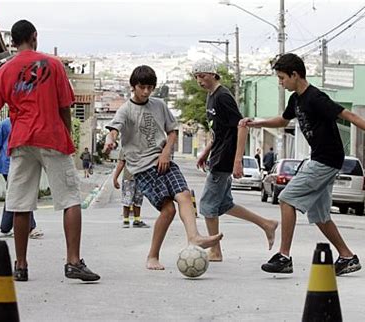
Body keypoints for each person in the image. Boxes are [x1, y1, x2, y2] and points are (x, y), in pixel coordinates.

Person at [237, 53, 365, 276]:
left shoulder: (316, 97)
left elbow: (350, 115)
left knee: (286, 198)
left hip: (327, 160)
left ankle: (284, 256)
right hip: (321, 160)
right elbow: (283, 121)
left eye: (282, 78)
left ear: (295, 75)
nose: (280, 82)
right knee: (320, 216)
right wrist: (256, 122)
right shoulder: (295, 99)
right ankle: (347, 257)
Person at [0, 20, 100, 282]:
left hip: (21, 140)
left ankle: (21, 265)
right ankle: (73, 262)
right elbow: (64, 107)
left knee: (20, 204)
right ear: (34, 37)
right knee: (70, 199)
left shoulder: (4, 70)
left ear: (12, 41)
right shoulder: (54, 65)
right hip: (52, 137)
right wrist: (68, 136)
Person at [103, 65, 223, 270]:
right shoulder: (126, 110)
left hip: (164, 160)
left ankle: (194, 237)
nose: (146, 92)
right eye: (142, 87)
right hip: (143, 167)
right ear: (133, 86)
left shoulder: (159, 105)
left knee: (184, 195)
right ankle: (152, 256)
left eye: (150, 87)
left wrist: (167, 152)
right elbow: (114, 128)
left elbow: (172, 131)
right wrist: (110, 140)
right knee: (168, 211)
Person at [192, 59, 278, 262]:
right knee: (223, 204)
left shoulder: (223, 97)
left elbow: (241, 125)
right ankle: (266, 223)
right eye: (196, 77)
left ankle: (215, 250)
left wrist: (237, 160)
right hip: (218, 154)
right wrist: (206, 151)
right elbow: (217, 131)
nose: (199, 81)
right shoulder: (211, 97)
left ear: (213, 74)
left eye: (202, 76)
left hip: (225, 157)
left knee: (207, 204)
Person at [0, 117, 43, 239]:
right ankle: (31, 227)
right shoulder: (4, 124)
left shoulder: (26, 122)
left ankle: (5, 226)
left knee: (15, 195)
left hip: (21, 162)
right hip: (7, 165)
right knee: (22, 194)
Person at [113, 148, 150, 228]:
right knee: (127, 199)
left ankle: (137, 220)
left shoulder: (143, 147)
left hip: (140, 177)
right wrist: (115, 178)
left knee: (138, 200)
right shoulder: (125, 147)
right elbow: (121, 163)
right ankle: (126, 220)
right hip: (128, 178)